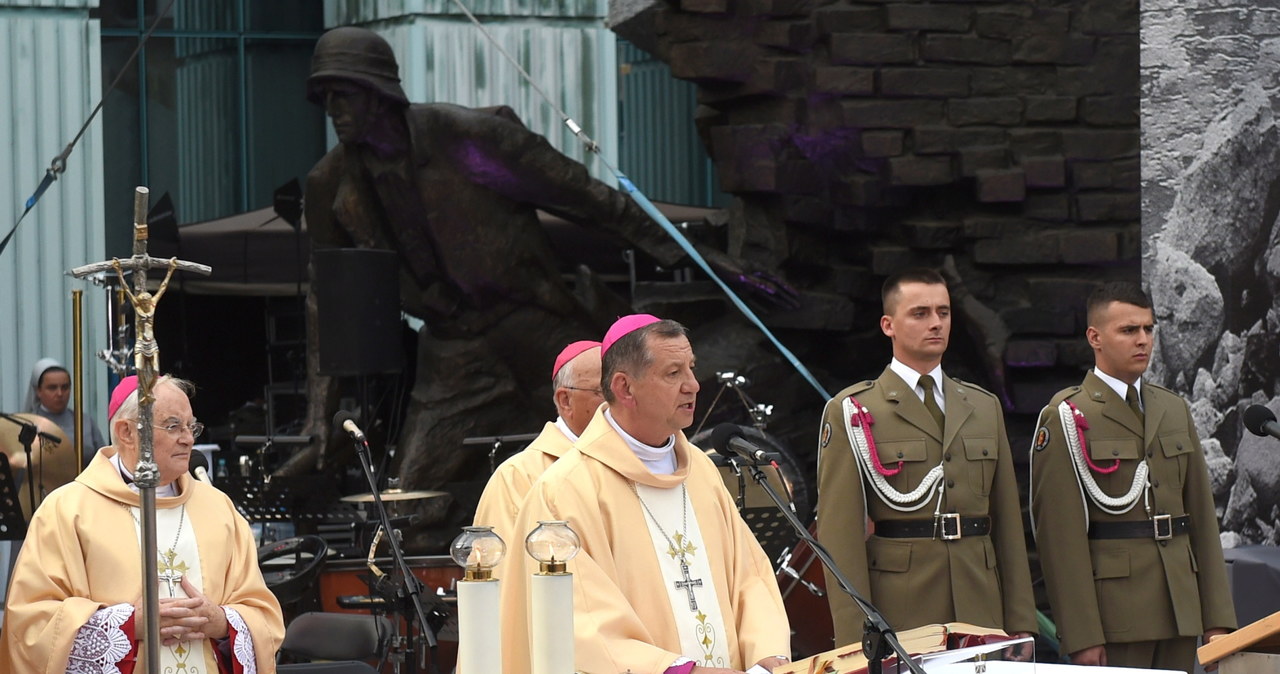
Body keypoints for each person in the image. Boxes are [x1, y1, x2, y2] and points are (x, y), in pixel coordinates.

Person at [296, 26, 793, 499]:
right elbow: (328, 298)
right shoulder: (330, 185)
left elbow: (593, 200)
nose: (333, 110)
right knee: (411, 491)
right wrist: (319, 413)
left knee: (619, 453)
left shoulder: (465, 137)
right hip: (455, 348)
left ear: (380, 92)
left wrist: (710, 263)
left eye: (346, 94)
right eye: (326, 99)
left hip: (539, 324)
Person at [503, 315, 789, 674]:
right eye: (673, 373)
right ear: (624, 388)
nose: (694, 385)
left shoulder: (701, 470)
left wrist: (766, 658)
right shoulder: (565, 490)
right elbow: (578, 620)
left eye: (691, 368)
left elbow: (751, 577)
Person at [1, 375, 285, 673]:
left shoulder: (218, 507)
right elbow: (32, 626)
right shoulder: (68, 510)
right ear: (126, 433)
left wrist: (221, 622)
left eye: (192, 427)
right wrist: (127, 626)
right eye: (174, 426)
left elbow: (263, 616)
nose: (188, 438)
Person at [815, 268, 1036, 649]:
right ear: (889, 325)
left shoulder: (983, 406)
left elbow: (1008, 525)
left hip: (980, 604)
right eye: (920, 313)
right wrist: (856, 639)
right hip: (902, 609)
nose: (936, 323)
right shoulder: (853, 410)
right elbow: (841, 538)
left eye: (944, 312)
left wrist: (1019, 620)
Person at [1029, 282, 1235, 672]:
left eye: (1148, 329)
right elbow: (1060, 541)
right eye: (1128, 330)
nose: (1143, 340)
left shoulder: (1172, 409)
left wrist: (1217, 619)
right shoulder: (1068, 417)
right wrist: (1082, 635)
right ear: (1095, 337)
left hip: (1180, 607)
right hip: (1115, 616)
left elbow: (1203, 521)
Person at [473, 339, 603, 546]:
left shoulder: (640, 463)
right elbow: (503, 568)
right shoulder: (517, 476)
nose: (619, 402)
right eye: (603, 391)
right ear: (565, 401)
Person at [24, 357, 106, 465]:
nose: (59, 393)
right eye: (52, 388)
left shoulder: (84, 422)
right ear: (38, 391)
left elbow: (103, 460)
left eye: (65, 387)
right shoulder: (27, 423)